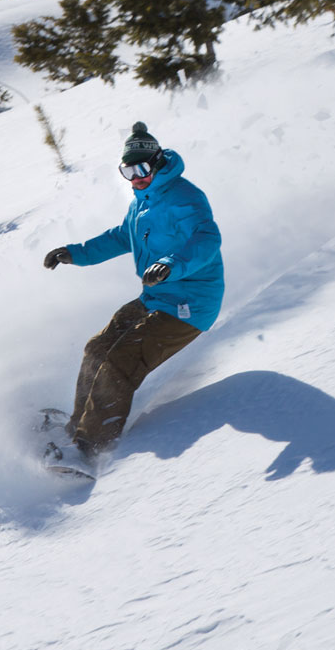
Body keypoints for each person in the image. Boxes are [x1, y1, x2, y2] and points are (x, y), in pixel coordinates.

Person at [42, 121, 224, 475]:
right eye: (128, 170)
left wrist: (170, 264)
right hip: (158, 297)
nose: (136, 177)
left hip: (189, 304)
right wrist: (74, 253)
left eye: (142, 169)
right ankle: (75, 428)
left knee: (120, 362)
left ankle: (88, 448)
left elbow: (207, 240)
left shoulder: (185, 197)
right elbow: (120, 237)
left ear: (157, 163)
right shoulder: (142, 201)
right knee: (97, 349)